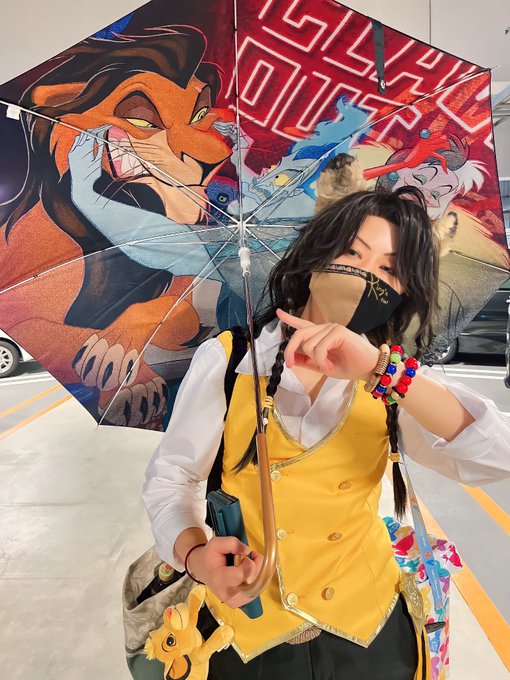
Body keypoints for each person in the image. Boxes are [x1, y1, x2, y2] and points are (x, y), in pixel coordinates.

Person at [143, 184, 510, 680]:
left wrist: (382, 371)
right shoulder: (231, 361)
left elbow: (497, 455)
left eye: (389, 270)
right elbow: (173, 477)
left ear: (402, 293)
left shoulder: (394, 379)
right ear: (316, 259)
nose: (365, 276)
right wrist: (194, 554)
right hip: (247, 635)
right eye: (352, 253)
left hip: (373, 635)